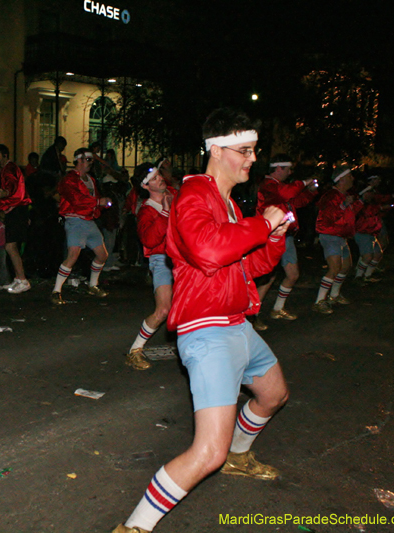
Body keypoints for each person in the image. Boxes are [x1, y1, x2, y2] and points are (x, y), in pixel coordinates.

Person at [111, 109, 289, 533]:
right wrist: (261, 223)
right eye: (244, 150)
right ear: (217, 150)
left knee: (273, 394)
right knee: (208, 452)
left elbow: (250, 267)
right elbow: (209, 251)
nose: (252, 159)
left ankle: (239, 456)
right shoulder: (193, 195)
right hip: (208, 331)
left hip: (236, 324)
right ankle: (134, 527)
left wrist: (273, 239)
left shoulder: (227, 202)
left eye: (254, 150)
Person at [123, 163, 175, 371]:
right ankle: (134, 350)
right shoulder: (146, 210)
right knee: (163, 310)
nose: (160, 179)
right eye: (154, 178)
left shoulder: (174, 194)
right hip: (162, 259)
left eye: (159, 175)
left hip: (183, 258)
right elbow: (150, 240)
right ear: (145, 186)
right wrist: (166, 212)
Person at [255, 155, 318, 322]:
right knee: (267, 278)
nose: (290, 173)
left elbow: (297, 201)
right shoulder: (268, 185)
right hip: (271, 238)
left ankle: (277, 309)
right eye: (288, 169)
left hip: (286, 237)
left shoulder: (279, 186)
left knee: (292, 274)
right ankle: (253, 316)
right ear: (278, 168)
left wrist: (311, 192)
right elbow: (287, 193)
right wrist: (304, 182)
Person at [50, 148, 112, 304]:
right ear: (79, 159)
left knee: (102, 255)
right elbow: (76, 199)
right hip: (75, 221)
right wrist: (98, 202)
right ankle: (56, 291)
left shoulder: (90, 179)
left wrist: (101, 204)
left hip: (88, 220)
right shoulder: (69, 179)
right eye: (88, 159)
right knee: (72, 256)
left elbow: (92, 200)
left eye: (92, 160)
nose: (91, 163)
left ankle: (93, 285)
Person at [312, 166, 363, 314]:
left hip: (341, 236)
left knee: (346, 267)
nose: (353, 179)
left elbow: (348, 215)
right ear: (341, 180)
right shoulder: (331, 196)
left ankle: (334, 295)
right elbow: (329, 216)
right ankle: (319, 301)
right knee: (334, 268)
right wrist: (345, 204)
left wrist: (359, 203)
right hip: (330, 236)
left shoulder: (343, 195)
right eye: (350, 176)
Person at [0, 144, 32, 294]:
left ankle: (23, 280)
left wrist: (4, 194)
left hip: (17, 209)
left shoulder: (10, 168)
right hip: (16, 209)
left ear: (5, 155)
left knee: (10, 245)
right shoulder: (6, 169)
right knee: (11, 245)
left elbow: (13, 186)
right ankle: (19, 278)